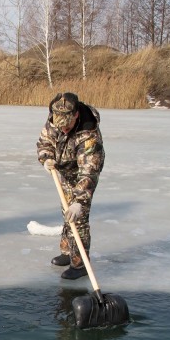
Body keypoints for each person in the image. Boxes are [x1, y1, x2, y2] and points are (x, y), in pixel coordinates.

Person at [37, 92, 105, 280]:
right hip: (65, 169)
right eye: (60, 125)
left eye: (66, 125)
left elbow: (89, 171)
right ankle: (67, 252)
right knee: (66, 211)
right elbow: (45, 141)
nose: (63, 129)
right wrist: (46, 157)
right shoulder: (55, 118)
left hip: (83, 172)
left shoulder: (89, 136)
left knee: (78, 217)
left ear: (75, 115)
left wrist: (80, 201)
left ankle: (80, 263)